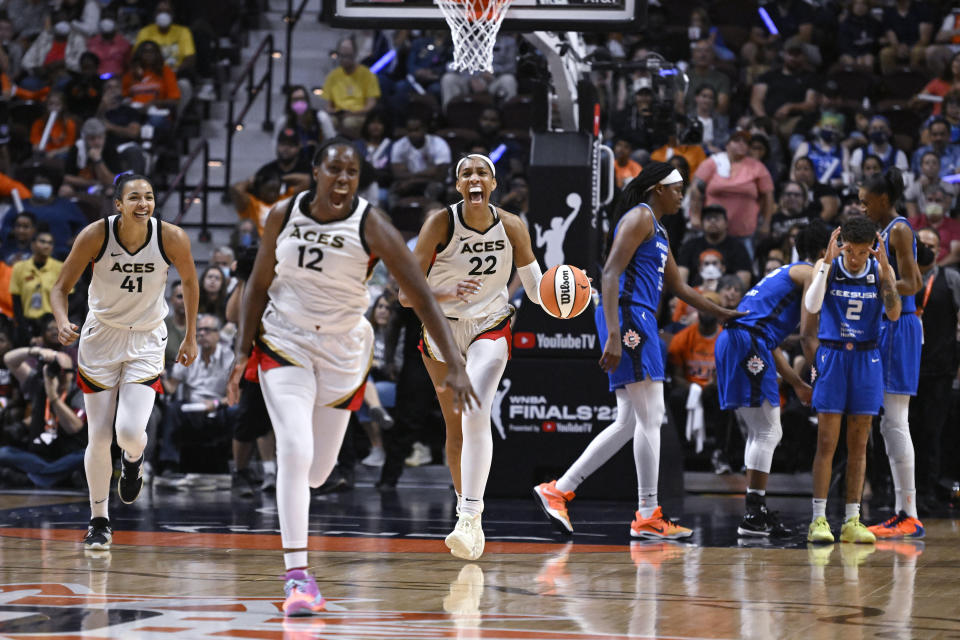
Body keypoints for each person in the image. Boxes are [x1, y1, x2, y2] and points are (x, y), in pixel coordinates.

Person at [225, 138, 476, 616]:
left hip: (342, 350)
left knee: (317, 472)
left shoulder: (372, 224)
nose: (343, 180)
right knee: (294, 450)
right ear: (315, 171)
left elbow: (419, 295)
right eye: (335, 170)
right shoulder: (282, 214)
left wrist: (456, 365)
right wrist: (242, 353)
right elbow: (258, 284)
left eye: (352, 173)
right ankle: (298, 579)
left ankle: (302, 529)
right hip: (285, 342)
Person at [532, 161, 743, 539]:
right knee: (651, 417)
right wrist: (614, 334)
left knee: (630, 420)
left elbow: (680, 288)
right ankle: (647, 513)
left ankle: (559, 489)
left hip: (636, 318)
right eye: (677, 188)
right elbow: (610, 273)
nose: (682, 194)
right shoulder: (640, 217)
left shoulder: (658, 231)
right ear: (657, 189)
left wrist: (724, 312)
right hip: (628, 317)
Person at [400, 153, 541, 560]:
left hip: (489, 325)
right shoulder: (439, 224)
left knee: (475, 407)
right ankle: (468, 512)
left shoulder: (513, 226)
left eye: (482, 172)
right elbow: (404, 296)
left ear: (492, 183)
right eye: (466, 174)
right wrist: (443, 292)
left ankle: (469, 517)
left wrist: (565, 298)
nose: (474, 178)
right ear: (458, 185)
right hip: (441, 328)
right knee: (455, 427)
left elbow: (535, 293)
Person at [49, 173, 200, 550]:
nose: (143, 204)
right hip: (101, 337)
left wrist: (192, 335)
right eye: (134, 197)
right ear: (118, 204)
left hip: (147, 338)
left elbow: (191, 284)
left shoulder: (171, 237)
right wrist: (61, 320)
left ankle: (134, 459)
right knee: (98, 437)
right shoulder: (96, 235)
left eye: (148, 197)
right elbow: (60, 288)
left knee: (129, 431)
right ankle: (99, 520)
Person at [715, 222, 830, 538]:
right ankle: (753, 514)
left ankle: (755, 513)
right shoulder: (809, 274)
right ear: (824, 253)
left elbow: (770, 339)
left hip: (743, 340)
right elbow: (808, 333)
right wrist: (821, 371)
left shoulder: (787, 272)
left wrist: (796, 382)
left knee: (760, 430)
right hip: (746, 340)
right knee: (768, 429)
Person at [803, 218, 900, 544]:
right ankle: (818, 520)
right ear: (840, 243)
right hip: (833, 356)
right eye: (850, 251)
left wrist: (887, 271)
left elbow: (894, 313)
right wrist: (826, 264)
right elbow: (812, 306)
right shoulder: (827, 266)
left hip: (867, 358)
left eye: (863, 251)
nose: (856, 258)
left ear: (872, 247)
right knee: (827, 443)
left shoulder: (877, 270)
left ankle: (851, 520)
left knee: (859, 445)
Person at [858, 169, 926, 540]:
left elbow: (914, 283)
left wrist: (874, 282)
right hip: (887, 325)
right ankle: (903, 511)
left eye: (866, 200)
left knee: (897, 420)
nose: (862, 206)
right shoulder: (882, 231)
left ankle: (909, 513)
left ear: (884, 199)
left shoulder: (898, 228)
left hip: (901, 327)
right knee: (889, 423)